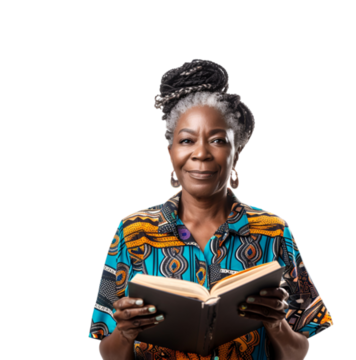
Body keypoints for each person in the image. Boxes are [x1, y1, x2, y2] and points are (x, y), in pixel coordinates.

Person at [89, 57, 332, 360]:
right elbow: (107, 351)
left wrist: (277, 325)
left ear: (236, 153)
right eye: (187, 140)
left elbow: (299, 352)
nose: (201, 153)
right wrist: (124, 333)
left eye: (217, 140)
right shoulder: (131, 231)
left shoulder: (273, 231)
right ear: (171, 153)